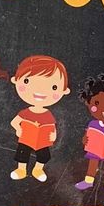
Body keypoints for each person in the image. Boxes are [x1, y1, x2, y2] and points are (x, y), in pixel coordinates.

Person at [8, 54, 70, 182]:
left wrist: (53, 135)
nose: (40, 90)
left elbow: (52, 127)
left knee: (44, 155)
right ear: (16, 80)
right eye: (27, 81)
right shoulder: (25, 112)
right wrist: (18, 129)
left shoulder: (48, 114)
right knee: (22, 153)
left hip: (42, 140)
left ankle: (38, 169)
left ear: (64, 91)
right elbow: (14, 122)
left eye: (54, 87)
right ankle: (21, 169)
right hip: (26, 138)